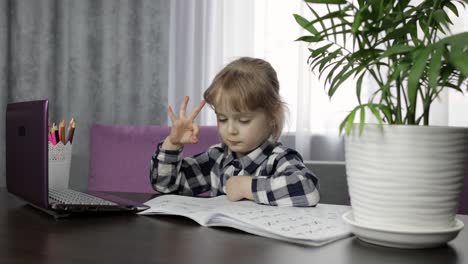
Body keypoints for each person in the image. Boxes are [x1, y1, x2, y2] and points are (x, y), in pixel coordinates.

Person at [150, 57, 320, 207]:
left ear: (271, 117)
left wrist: (246, 187)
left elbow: (308, 190)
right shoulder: (217, 158)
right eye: (222, 119)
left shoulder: (279, 159)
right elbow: (167, 186)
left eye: (244, 120)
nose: (230, 130)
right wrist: (172, 144)